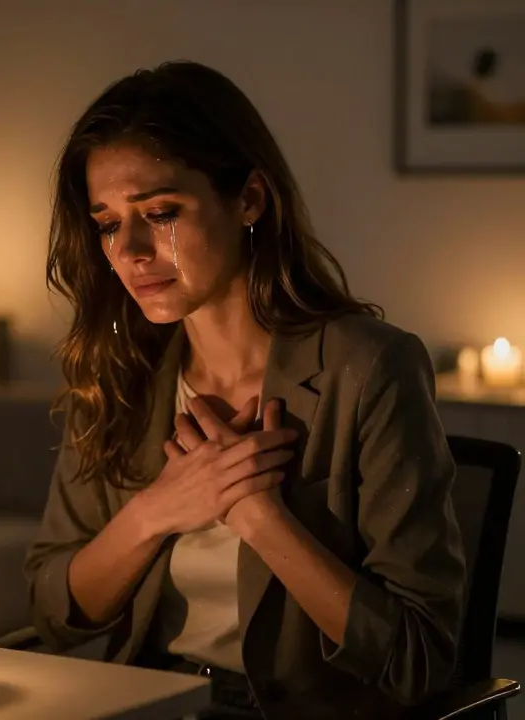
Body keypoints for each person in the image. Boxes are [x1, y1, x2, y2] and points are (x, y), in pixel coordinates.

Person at [23, 61, 466, 720]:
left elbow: (416, 660)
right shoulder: (123, 376)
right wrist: (159, 510)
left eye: (161, 212)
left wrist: (258, 516)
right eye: (109, 223)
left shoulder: (371, 368)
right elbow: (57, 612)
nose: (131, 250)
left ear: (250, 199)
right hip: (148, 702)